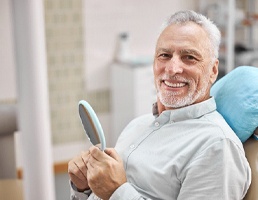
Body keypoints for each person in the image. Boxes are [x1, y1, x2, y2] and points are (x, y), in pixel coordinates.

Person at [68, 10, 251, 200]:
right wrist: (84, 189)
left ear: (213, 70)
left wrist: (117, 192)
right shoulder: (137, 125)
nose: (172, 69)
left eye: (189, 57)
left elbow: (113, 192)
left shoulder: (217, 147)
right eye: (164, 55)